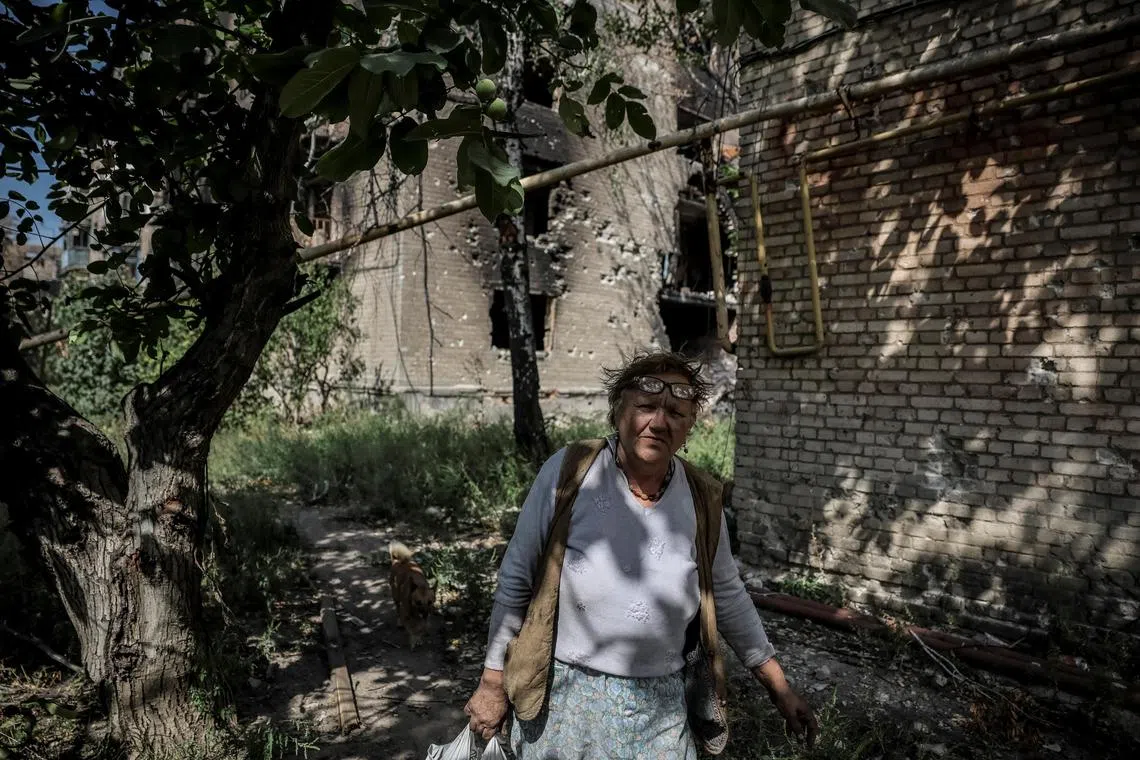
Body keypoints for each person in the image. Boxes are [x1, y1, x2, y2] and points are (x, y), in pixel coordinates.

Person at [464, 351, 816, 758]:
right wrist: (492, 683)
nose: (660, 422)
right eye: (646, 407)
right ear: (618, 412)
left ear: (689, 426)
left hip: (661, 708)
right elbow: (516, 578)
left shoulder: (701, 497)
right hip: (565, 702)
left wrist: (779, 686)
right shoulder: (571, 471)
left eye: (676, 413)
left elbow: (727, 594)